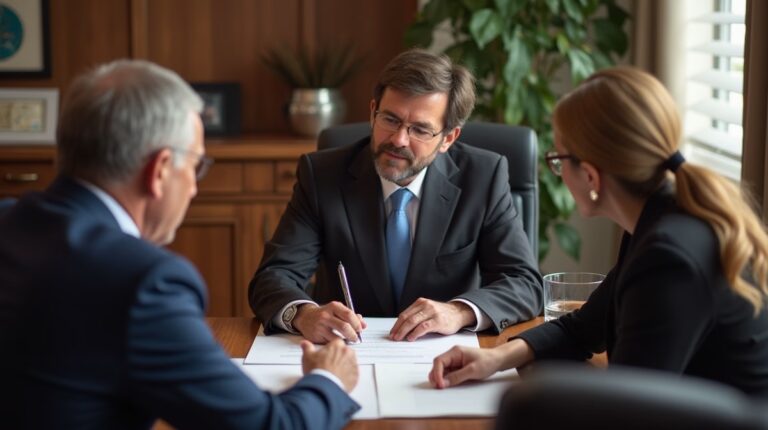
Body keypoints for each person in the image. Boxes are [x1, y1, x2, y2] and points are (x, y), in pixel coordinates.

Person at [0, 60, 360, 429]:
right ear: (159, 170)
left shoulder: (8, 219)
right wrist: (330, 379)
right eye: (195, 166)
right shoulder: (144, 282)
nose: (193, 188)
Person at [429, 66, 768, 397]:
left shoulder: (668, 253)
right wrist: (497, 358)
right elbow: (581, 328)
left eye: (558, 160)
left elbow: (632, 405)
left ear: (590, 176)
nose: (558, 172)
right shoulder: (658, 220)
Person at [248, 49, 542, 344]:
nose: (399, 139)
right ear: (372, 112)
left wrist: (459, 311)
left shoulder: (483, 177)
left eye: (420, 130)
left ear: (448, 138)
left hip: (443, 354)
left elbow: (524, 283)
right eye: (390, 119)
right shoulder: (322, 175)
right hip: (347, 350)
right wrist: (303, 314)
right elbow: (273, 276)